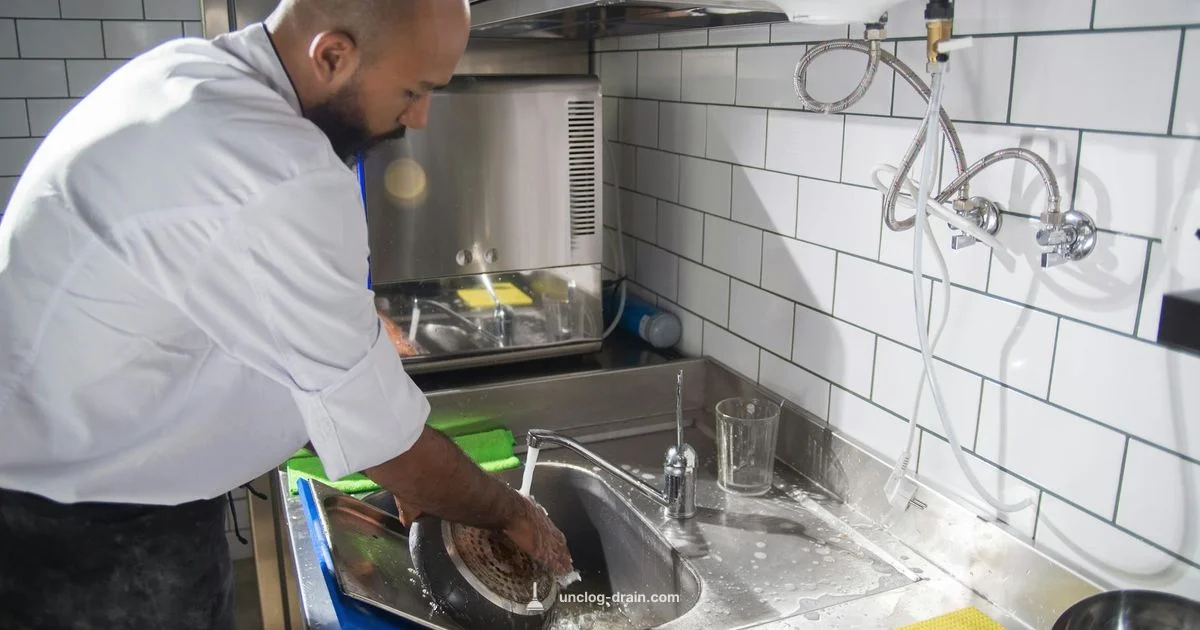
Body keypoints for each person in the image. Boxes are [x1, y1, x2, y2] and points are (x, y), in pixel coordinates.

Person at [0, 0, 573, 628]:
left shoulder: (188, 74)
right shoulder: (277, 165)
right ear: (332, 55)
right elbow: (382, 439)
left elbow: (215, 282)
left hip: (65, 491)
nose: (419, 115)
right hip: (96, 534)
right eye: (413, 90)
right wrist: (511, 512)